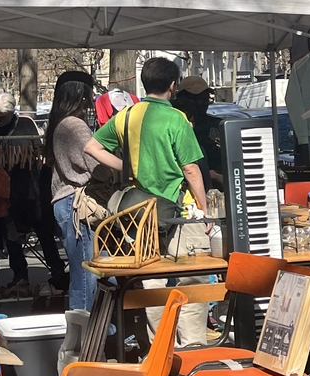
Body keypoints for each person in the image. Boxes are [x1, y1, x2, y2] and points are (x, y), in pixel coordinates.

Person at [85, 58, 211, 346]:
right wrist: (204, 211)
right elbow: (191, 169)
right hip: (179, 212)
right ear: (172, 85)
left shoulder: (128, 115)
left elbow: (90, 146)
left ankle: (160, 351)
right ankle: (192, 351)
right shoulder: (177, 118)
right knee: (193, 280)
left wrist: (124, 167)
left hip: (140, 214)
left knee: (152, 283)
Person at [0, 92, 68, 296]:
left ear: (12, 112)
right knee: (12, 238)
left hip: (31, 193)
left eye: (1, 117)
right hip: (4, 197)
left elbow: (41, 155)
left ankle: (58, 274)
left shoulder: (26, 125)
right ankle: (20, 277)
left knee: (45, 234)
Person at [46, 72, 101, 311]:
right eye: (91, 92)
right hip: (77, 204)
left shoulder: (59, 122)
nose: (93, 98)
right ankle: (88, 337)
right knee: (87, 275)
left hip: (67, 203)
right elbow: (93, 162)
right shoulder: (73, 125)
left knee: (83, 274)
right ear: (82, 93)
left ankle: (87, 335)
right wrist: (128, 168)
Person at [172, 76, 225, 191]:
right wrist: (211, 175)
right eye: (199, 98)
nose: (204, 102)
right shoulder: (175, 127)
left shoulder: (217, 124)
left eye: (206, 97)